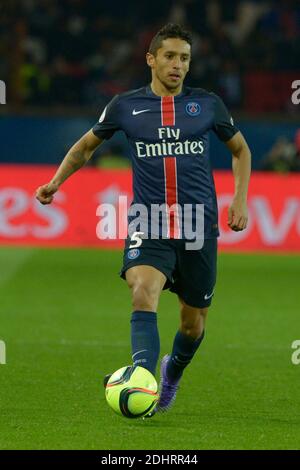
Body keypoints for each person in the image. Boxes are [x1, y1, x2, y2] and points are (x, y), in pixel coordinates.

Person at [36, 23, 251, 416]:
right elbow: (86, 147)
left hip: (197, 227)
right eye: (170, 56)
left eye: (185, 58)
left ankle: (172, 373)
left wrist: (240, 200)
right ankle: (142, 379)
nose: (178, 65)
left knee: (193, 325)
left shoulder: (207, 105)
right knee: (142, 290)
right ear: (151, 59)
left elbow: (240, 150)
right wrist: (55, 182)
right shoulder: (125, 106)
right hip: (148, 221)